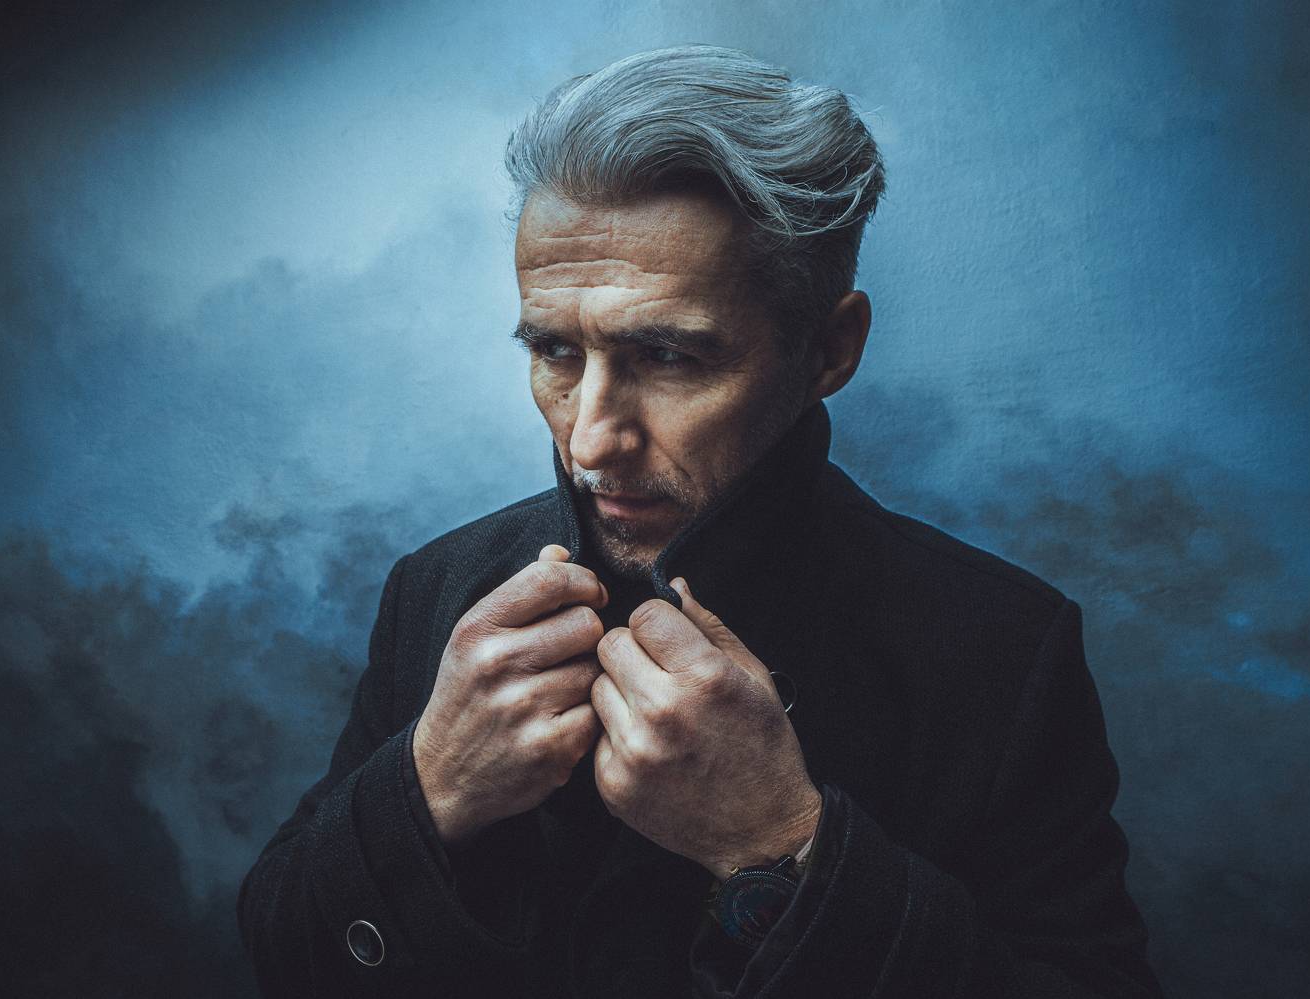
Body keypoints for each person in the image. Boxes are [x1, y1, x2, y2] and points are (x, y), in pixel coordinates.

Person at [236, 44, 1163, 998]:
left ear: (829, 348)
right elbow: (279, 954)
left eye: (669, 357)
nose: (590, 438)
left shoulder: (1003, 652)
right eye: (555, 351)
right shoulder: (435, 593)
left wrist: (780, 844)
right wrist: (426, 788)